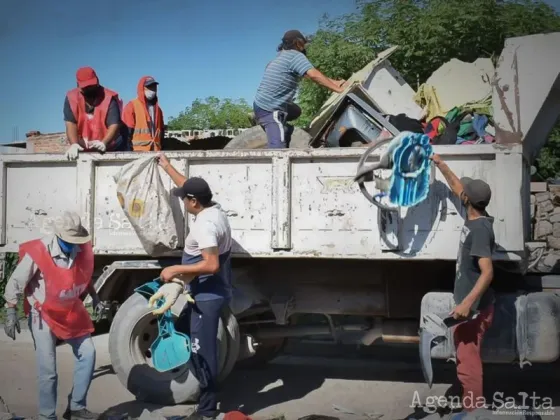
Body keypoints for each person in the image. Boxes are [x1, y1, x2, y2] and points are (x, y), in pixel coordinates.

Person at [3, 211, 104, 420]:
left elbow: (83, 275)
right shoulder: (39, 252)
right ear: (58, 236)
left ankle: (76, 407)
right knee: (48, 369)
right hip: (43, 314)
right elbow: (16, 282)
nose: (75, 245)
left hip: (69, 310)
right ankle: (47, 416)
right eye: (70, 241)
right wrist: (10, 310)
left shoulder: (80, 250)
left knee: (88, 353)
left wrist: (94, 296)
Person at [153, 153, 232, 420]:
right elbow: (189, 185)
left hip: (207, 296)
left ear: (194, 202)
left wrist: (176, 270)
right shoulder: (213, 207)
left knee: (202, 349)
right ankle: (207, 395)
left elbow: (211, 265)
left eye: (184, 199)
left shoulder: (206, 226)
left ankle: (207, 410)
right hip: (204, 292)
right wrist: (167, 167)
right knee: (186, 333)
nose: (183, 201)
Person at [431, 154, 495, 415]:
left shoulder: (479, 230)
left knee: (468, 366)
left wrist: (467, 305)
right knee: (465, 361)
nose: (461, 192)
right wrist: (440, 163)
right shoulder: (477, 214)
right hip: (470, 307)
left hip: (474, 311)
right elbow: (458, 186)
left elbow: (487, 272)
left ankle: (473, 413)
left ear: (467, 201)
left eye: (464, 193)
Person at [253, 29, 347, 148]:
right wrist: (338, 90)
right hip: (268, 109)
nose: (305, 47)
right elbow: (314, 75)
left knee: (296, 111)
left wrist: (335, 82)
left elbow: (308, 74)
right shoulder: (295, 55)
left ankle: (274, 123)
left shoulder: (282, 56)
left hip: (262, 103)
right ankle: (274, 126)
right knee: (278, 148)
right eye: (304, 43)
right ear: (298, 43)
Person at [64, 67, 130, 160]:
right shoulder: (72, 98)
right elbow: (71, 123)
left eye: (92, 85)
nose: (89, 89)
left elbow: (114, 124)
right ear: (78, 86)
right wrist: (74, 144)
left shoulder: (109, 98)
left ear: (97, 82)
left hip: (111, 146)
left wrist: (104, 143)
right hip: (83, 146)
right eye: (86, 87)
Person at [122, 76, 165, 152]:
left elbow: (161, 133)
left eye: (154, 87)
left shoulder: (159, 110)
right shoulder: (132, 106)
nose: (152, 90)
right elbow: (126, 133)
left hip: (155, 151)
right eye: (149, 87)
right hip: (138, 151)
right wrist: (128, 152)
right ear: (142, 88)